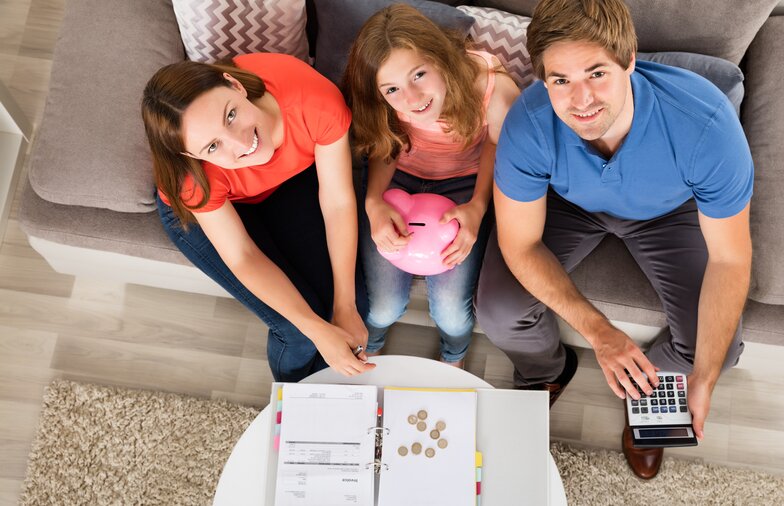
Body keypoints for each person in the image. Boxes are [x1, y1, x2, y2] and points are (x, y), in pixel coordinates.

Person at [475, 0, 753, 480]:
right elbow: (520, 245)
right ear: (544, 79)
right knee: (498, 309)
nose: (580, 100)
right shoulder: (528, 124)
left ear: (629, 60)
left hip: (669, 212)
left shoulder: (706, 124)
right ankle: (546, 371)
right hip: (568, 203)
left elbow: (729, 260)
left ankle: (645, 389)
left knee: (718, 349)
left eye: (596, 73)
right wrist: (601, 334)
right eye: (560, 80)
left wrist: (703, 377)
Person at [142, 53, 375, 382]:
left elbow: (337, 201)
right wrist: (317, 330)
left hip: (281, 183)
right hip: (208, 212)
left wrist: (345, 307)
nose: (241, 143)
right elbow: (242, 255)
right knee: (298, 333)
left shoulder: (314, 102)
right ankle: (291, 397)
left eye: (231, 115)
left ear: (235, 86)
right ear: (190, 155)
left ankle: (330, 385)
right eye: (213, 147)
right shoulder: (191, 177)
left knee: (353, 308)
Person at [342, 4, 519, 367]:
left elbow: (497, 144)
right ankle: (368, 344)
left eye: (419, 75)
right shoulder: (383, 101)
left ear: (441, 58)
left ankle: (454, 355)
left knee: (452, 313)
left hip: (464, 185)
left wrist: (478, 206)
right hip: (398, 177)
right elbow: (385, 145)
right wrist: (373, 202)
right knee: (382, 306)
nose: (412, 99)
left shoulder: (492, 86)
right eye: (392, 89)